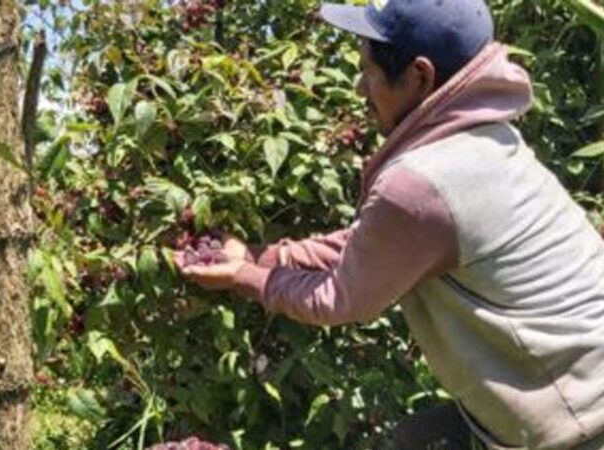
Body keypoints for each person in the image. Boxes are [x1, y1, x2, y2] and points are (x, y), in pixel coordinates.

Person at [175, 0, 604, 449]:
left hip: (582, 418)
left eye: (369, 71)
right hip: (571, 377)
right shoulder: (485, 137)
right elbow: (383, 242)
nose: (360, 87)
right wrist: (270, 257)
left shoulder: (423, 180)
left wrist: (243, 278)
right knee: (414, 438)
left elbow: (339, 299)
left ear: (420, 76)